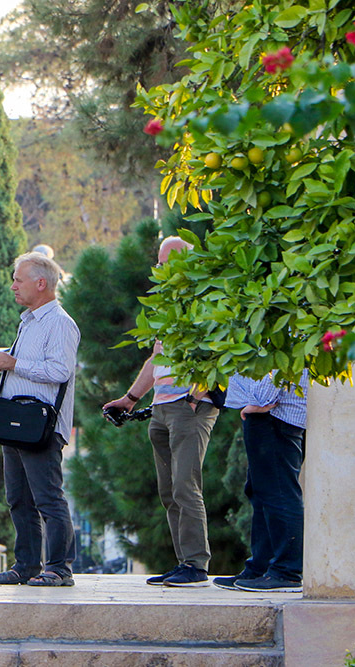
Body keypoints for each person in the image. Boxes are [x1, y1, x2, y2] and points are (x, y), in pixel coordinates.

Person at [103, 236, 220, 587]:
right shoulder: (168, 307)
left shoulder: (204, 301)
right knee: (169, 491)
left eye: (167, 262)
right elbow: (156, 357)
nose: (159, 269)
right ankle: (183, 561)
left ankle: (197, 566)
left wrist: (198, 393)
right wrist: (131, 398)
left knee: (186, 486)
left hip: (190, 407)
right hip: (162, 407)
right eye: (158, 262)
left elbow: (220, 348)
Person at [0, 252, 80, 587]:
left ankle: (59, 568)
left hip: (42, 425)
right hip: (16, 421)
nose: (13, 286)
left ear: (41, 283)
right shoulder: (28, 320)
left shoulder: (61, 323)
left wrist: (14, 364)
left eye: (18, 280)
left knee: (48, 497)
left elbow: (59, 371)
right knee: (18, 498)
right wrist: (6, 359)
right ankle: (26, 565)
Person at [215, 371, 307, 593]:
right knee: (260, 493)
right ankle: (261, 567)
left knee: (279, 493)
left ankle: (287, 572)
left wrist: (255, 403)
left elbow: (279, 367)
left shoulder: (286, 335)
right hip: (268, 416)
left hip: (276, 417)